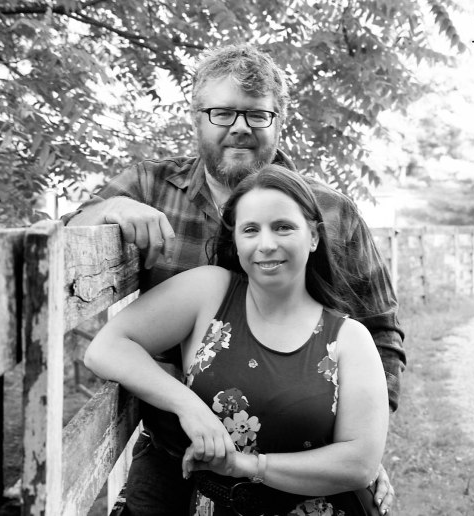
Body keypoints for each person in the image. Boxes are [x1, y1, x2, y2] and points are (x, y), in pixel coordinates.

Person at [65, 43, 404, 514]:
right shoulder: (150, 188)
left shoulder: (331, 211)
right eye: (222, 112)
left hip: (298, 449)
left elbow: (381, 331)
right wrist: (111, 209)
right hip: (173, 440)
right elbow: (63, 246)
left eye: (257, 115)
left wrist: (361, 442)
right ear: (196, 118)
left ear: (279, 121)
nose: (240, 127)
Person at [84, 164, 390, 515]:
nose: (266, 244)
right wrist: (188, 406)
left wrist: (246, 466)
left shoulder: (351, 339)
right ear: (236, 240)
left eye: (283, 227)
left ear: (315, 237)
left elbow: (360, 464)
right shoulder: (209, 292)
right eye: (250, 230)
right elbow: (105, 348)